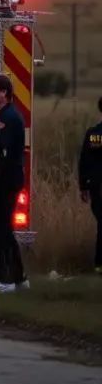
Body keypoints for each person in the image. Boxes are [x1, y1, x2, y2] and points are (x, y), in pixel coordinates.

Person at [0, 74, 30, 293]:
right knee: (4, 230)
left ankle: (3, 279)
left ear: (4, 93)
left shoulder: (6, 118)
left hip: (4, 182)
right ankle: (19, 278)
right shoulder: (2, 116)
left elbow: (1, 154)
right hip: (7, 180)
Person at [77, 98, 102, 276]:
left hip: (96, 186)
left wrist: (83, 187)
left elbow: (84, 160)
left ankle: (99, 265)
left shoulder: (93, 133)